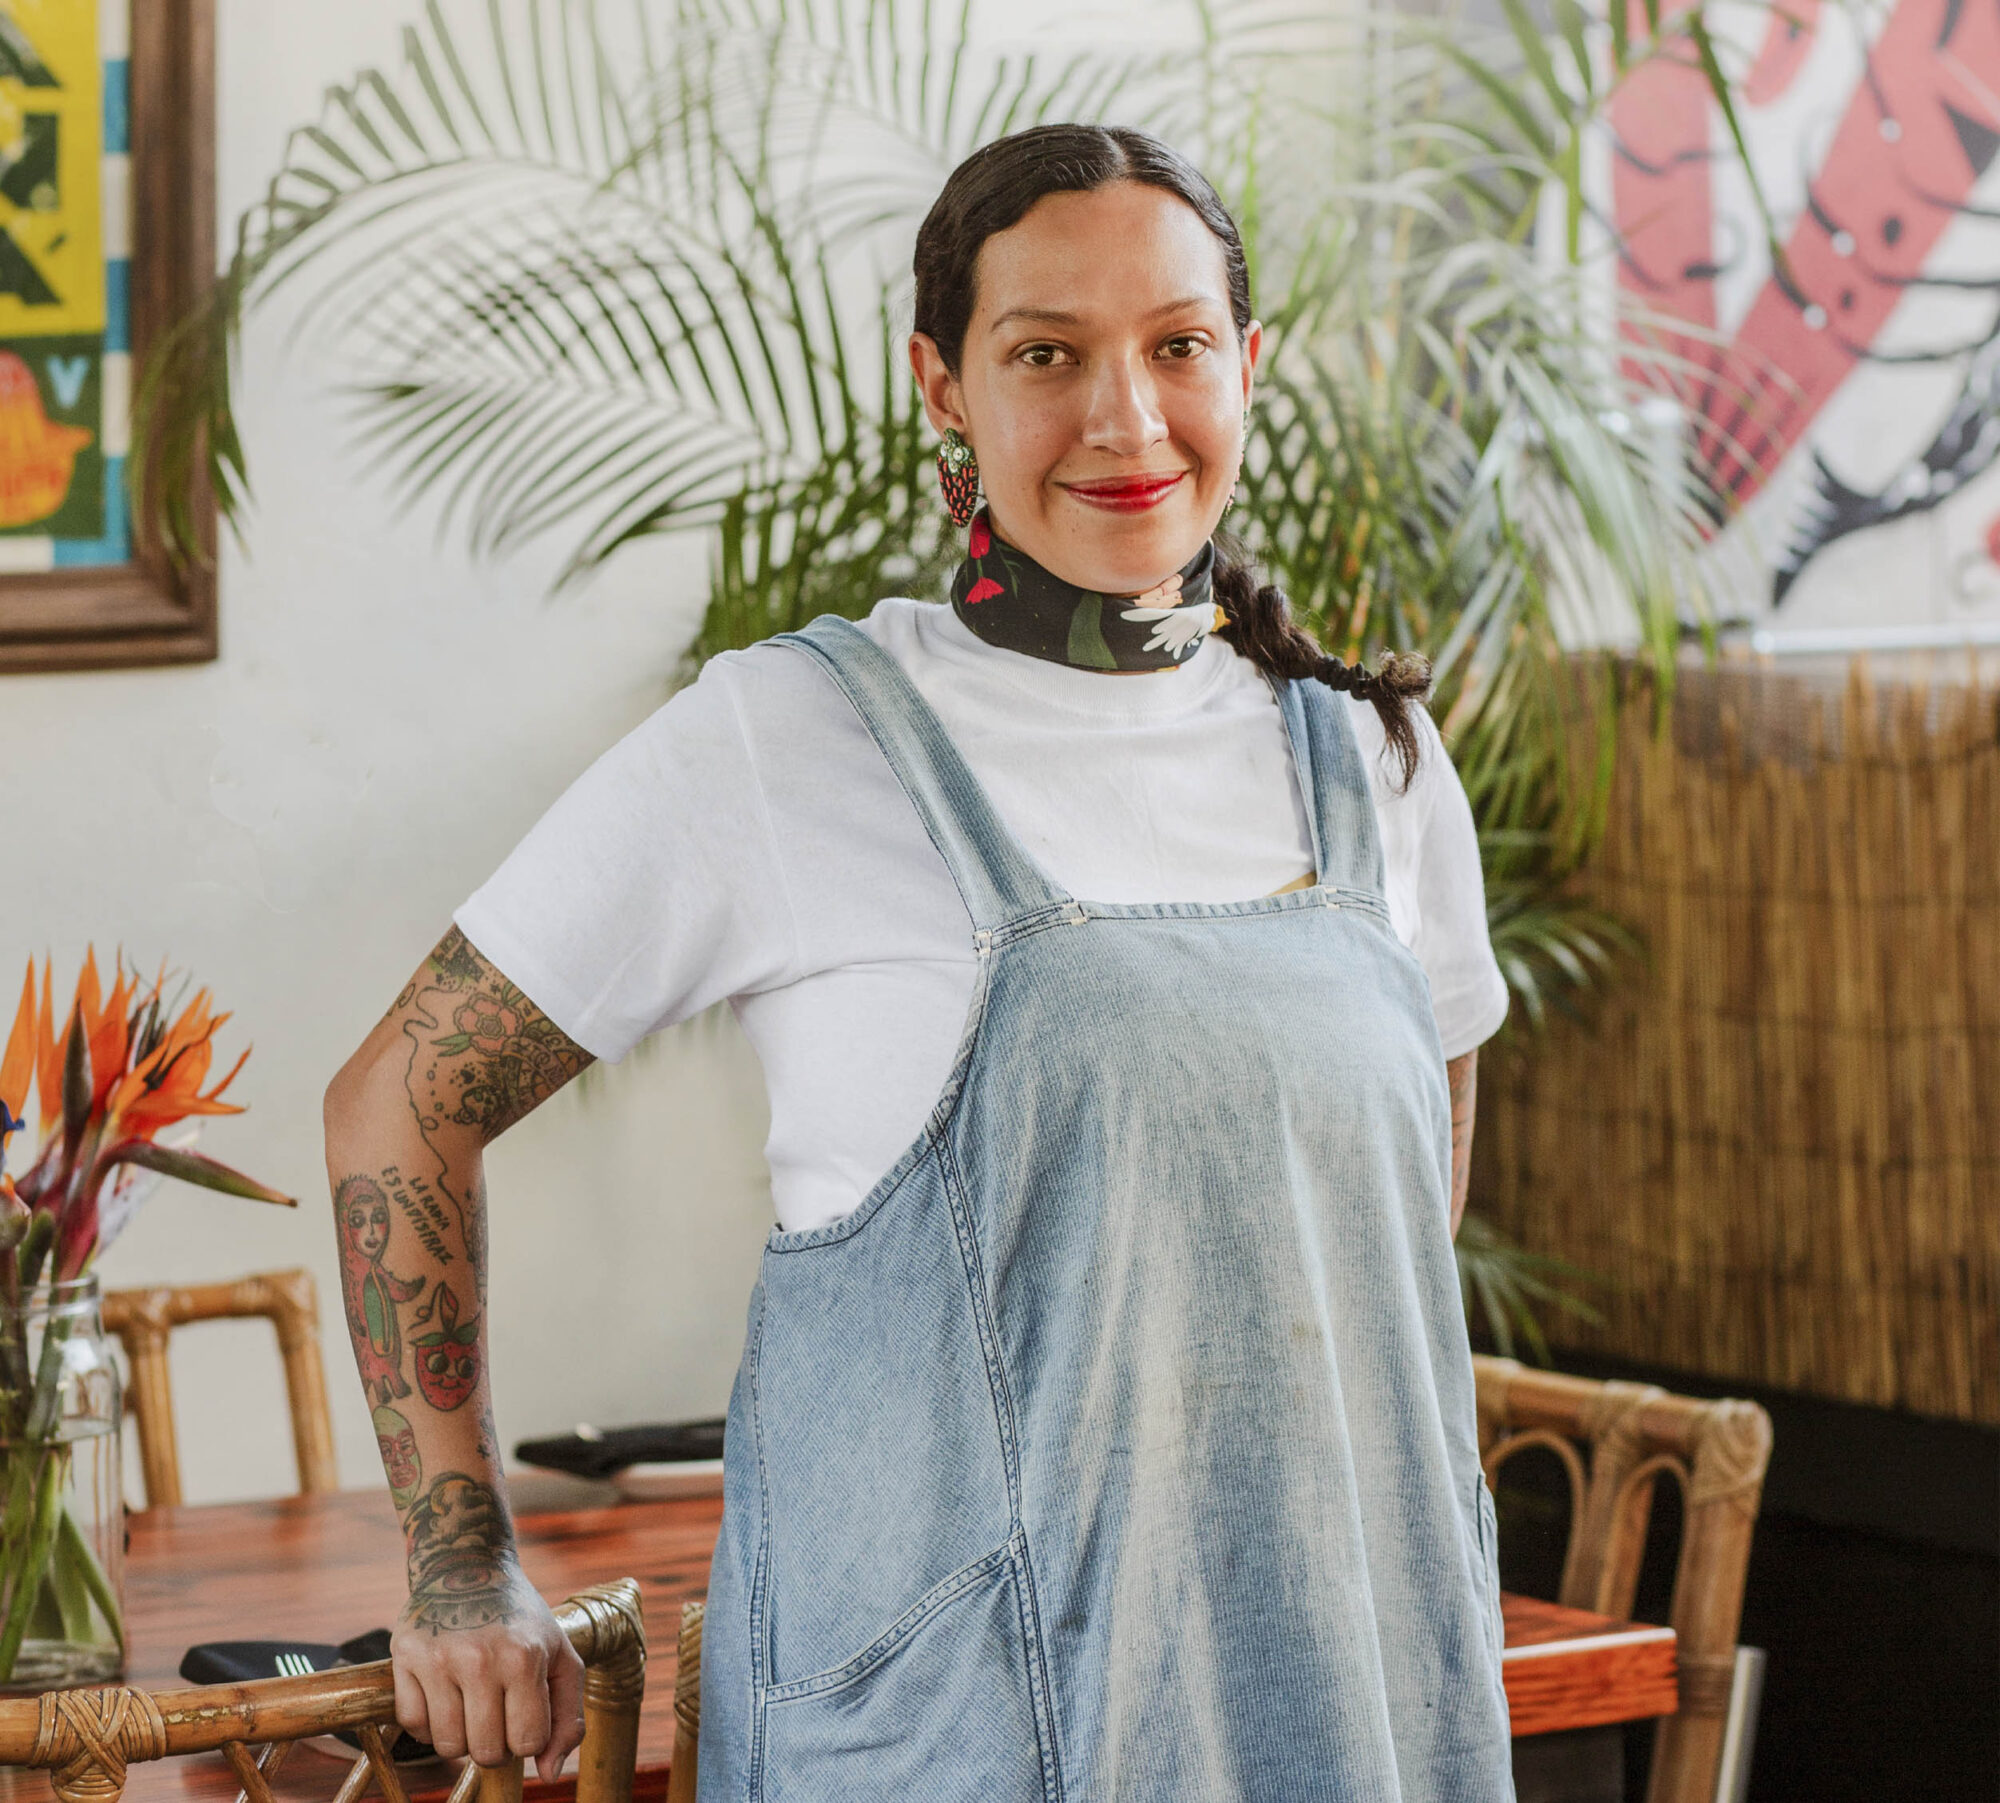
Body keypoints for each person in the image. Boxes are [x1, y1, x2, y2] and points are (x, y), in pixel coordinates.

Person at [323, 122, 1515, 1801]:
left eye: (1177, 346)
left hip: (1341, 1698)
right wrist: (459, 1568)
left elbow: (1388, 1233)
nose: (1125, 417)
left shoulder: (1375, 764)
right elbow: (397, 1103)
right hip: (950, 1736)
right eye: (1048, 354)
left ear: (1246, 368)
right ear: (941, 386)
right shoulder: (792, 737)